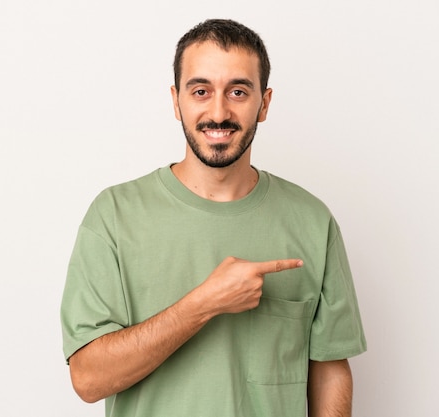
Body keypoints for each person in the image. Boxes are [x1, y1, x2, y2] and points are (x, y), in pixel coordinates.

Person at [61, 18, 366, 417]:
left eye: (238, 91)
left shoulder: (312, 221)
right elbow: (88, 380)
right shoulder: (114, 216)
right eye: (201, 91)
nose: (218, 112)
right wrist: (203, 304)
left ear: (265, 103)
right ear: (176, 101)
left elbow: (329, 369)